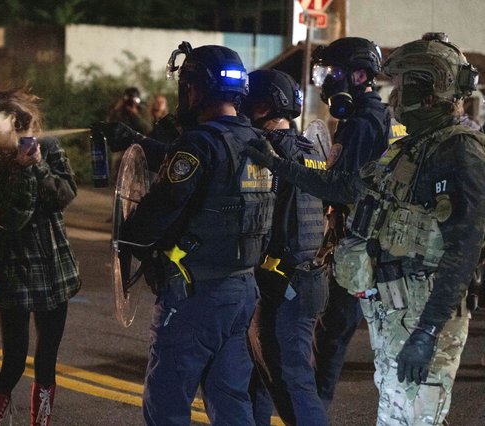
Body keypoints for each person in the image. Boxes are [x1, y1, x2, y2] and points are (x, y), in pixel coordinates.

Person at [246, 33, 485, 426]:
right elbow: (345, 187)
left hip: (424, 317)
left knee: (417, 418)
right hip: (393, 314)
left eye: (405, 85)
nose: (394, 95)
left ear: (432, 89)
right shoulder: (408, 148)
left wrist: (426, 333)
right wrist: (276, 165)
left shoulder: (461, 151)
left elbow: (464, 250)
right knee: (396, 416)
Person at [95, 41, 274, 425]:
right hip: (243, 288)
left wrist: (130, 236)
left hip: (197, 292)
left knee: (167, 401)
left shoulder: (199, 143)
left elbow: (157, 213)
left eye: (189, 84)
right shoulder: (257, 142)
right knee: (230, 399)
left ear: (197, 87)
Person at [0, 87, 81, 426]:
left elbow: (63, 195)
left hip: (53, 270)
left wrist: (39, 165)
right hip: (13, 273)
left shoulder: (49, 148)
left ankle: (40, 421)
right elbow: (12, 218)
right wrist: (21, 168)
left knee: (46, 360)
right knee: (13, 363)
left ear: (12, 117)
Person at [242, 69, 329, 426]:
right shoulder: (309, 149)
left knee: (292, 385)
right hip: (306, 280)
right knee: (260, 379)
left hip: (284, 287)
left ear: (261, 107)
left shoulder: (270, 154)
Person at [309, 36, 391, 409]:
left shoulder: (360, 123)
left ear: (359, 76)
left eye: (333, 73)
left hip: (357, 243)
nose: (326, 81)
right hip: (374, 243)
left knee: (329, 341)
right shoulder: (379, 115)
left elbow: (340, 189)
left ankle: (313, 415)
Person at [107, 87, 152, 182]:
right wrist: (116, 109)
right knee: (118, 174)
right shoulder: (120, 111)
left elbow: (147, 128)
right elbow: (109, 124)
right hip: (121, 146)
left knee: (138, 177)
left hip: (139, 146)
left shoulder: (143, 110)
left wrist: (135, 115)